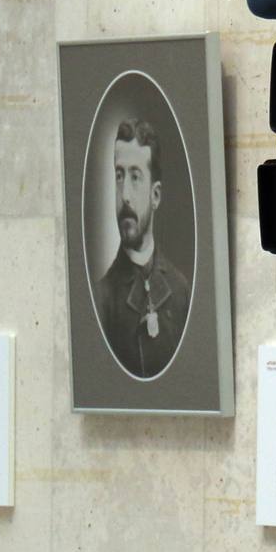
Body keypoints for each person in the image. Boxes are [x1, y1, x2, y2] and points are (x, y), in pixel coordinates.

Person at [94, 118, 190, 378]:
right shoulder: (101, 300)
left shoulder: (181, 292)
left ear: (155, 195)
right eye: (119, 176)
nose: (124, 193)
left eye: (135, 177)